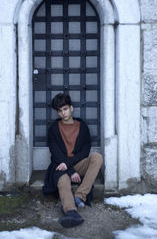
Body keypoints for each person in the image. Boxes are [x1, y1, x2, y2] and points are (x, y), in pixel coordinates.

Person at [42, 93, 103, 228]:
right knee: (63, 179)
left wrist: (71, 167)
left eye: (65, 109)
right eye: (59, 111)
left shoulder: (82, 127)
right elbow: (56, 154)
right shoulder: (53, 129)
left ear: (71, 108)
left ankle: (79, 197)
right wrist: (70, 171)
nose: (62, 113)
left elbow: (84, 152)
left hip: (76, 163)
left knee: (97, 157)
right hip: (59, 165)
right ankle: (71, 211)